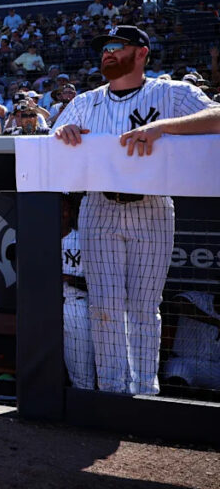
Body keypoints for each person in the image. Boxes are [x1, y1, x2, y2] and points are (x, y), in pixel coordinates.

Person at [53, 25, 220, 395]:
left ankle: (145, 391)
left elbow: (218, 117)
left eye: (116, 46)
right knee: (104, 306)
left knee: (145, 307)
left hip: (153, 207)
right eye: (104, 48)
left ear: (141, 53)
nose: (107, 53)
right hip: (98, 207)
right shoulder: (85, 101)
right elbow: (53, 140)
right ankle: (112, 391)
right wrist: (63, 135)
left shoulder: (170, 92)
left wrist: (164, 128)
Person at [60, 195, 94, 390]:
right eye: (58, 209)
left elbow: (98, 283)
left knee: (81, 373)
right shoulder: (38, 237)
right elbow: (11, 251)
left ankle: (83, 410)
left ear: (72, 213)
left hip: (77, 306)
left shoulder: (82, 240)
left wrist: (69, 278)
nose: (62, 214)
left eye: (65, 209)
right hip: (46, 308)